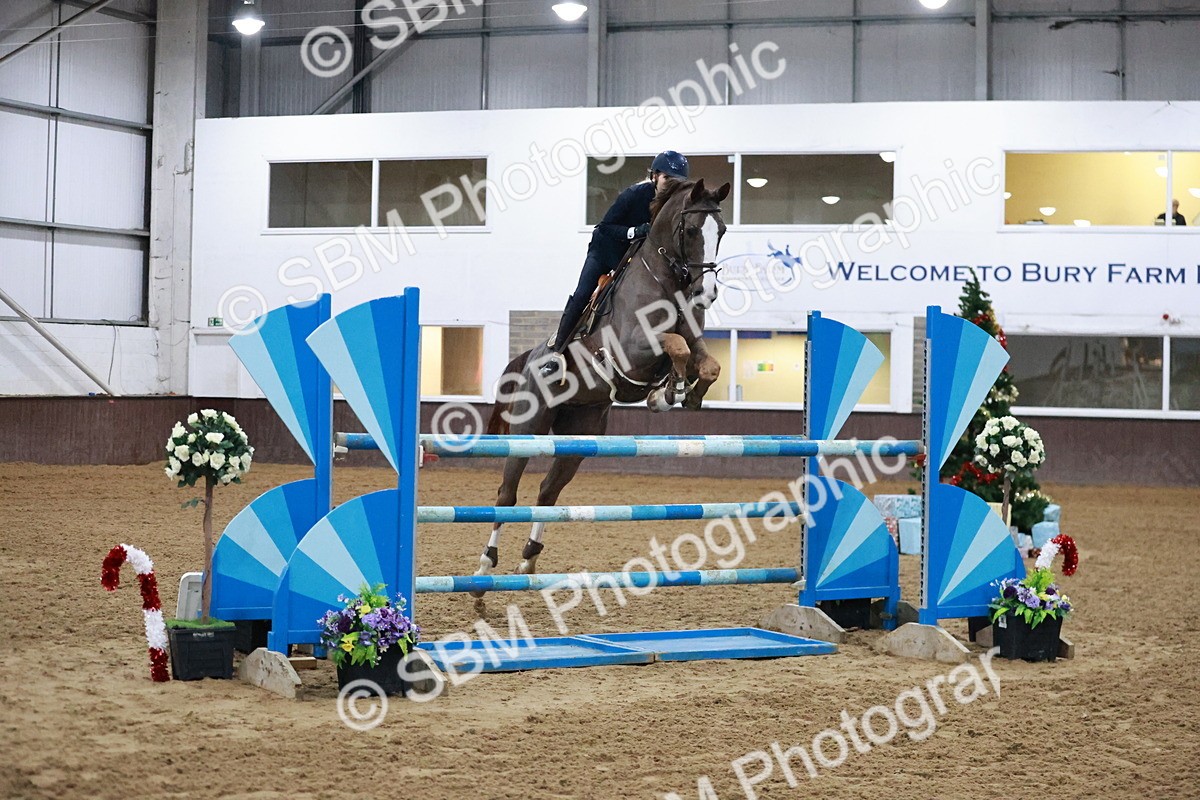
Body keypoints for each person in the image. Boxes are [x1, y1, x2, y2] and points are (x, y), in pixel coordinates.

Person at [541, 151, 690, 376]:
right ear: (654, 176)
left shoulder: (674, 204)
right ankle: (556, 353)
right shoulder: (634, 194)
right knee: (582, 294)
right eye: (667, 179)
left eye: (676, 181)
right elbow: (605, 226)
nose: (671, 186)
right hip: (605, 251)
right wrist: (635, 231)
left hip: (635, 257)